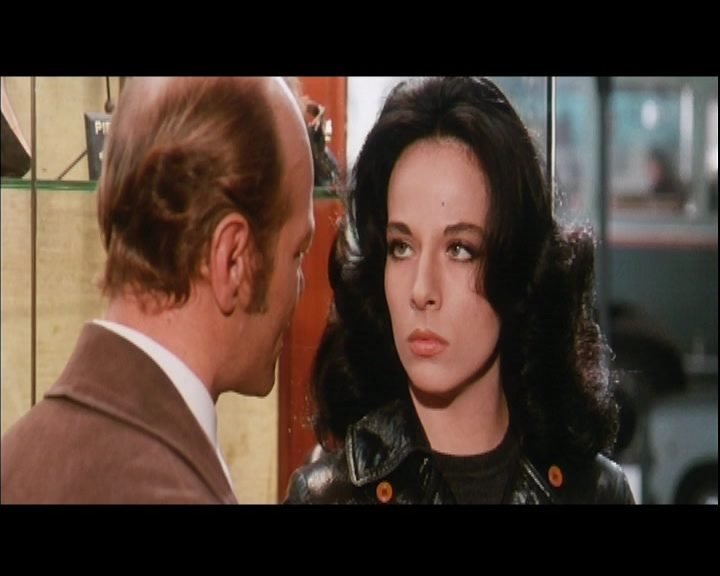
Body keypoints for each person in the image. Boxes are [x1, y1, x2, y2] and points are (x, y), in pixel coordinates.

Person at [285, 76, 634, 504]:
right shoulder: (327, 497)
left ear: (518, 266)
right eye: (401, 247)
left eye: (459, 250)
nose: (421, 290)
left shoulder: (597, 493)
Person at [1, 77, 315, 503]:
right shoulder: (171, 491)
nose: (300, 284)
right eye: (298, 252)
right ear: (232, 259)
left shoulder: (15, 456)